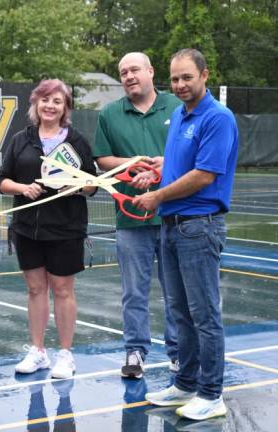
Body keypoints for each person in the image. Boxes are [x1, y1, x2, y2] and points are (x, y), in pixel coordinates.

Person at [133, 48, 238, 421]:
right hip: (172, 226)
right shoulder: (179, 114)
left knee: (204, 314)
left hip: (199, 227)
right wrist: (160, 170)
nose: (179, 85)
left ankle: (211, 393)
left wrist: (157, 195)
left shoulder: (218, 117)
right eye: (174, 79)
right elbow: (184, 165)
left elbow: (204, 175)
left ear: (204, 75)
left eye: (186, 78)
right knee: (180, 313)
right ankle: (186, 383)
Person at [0, 79, 96, 379]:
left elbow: (93, 184)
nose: (50, 106)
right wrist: (23, 188)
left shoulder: (76, 141)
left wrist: (76, 186)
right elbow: (2, 181)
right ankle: (37, 351)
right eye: (45, 100)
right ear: (36, 105)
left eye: (57, 101)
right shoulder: (21, 140)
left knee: (63, 290)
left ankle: (65, 354)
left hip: (66, 228)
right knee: (36, 289)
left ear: (65, 108)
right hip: (28, 229)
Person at [93, 52, 181, 379]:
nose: (128, 76)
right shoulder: (110, 114)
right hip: (130, 218)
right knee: (134, 291)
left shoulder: (177, 106)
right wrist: (134, 164)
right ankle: (135, 352)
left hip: (173, 214)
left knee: (177, 290)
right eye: (123, 72)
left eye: (134, 70)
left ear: (150, 72)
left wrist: (162, 163)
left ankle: (178, 353)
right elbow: (102, 158)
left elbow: (189, 151)